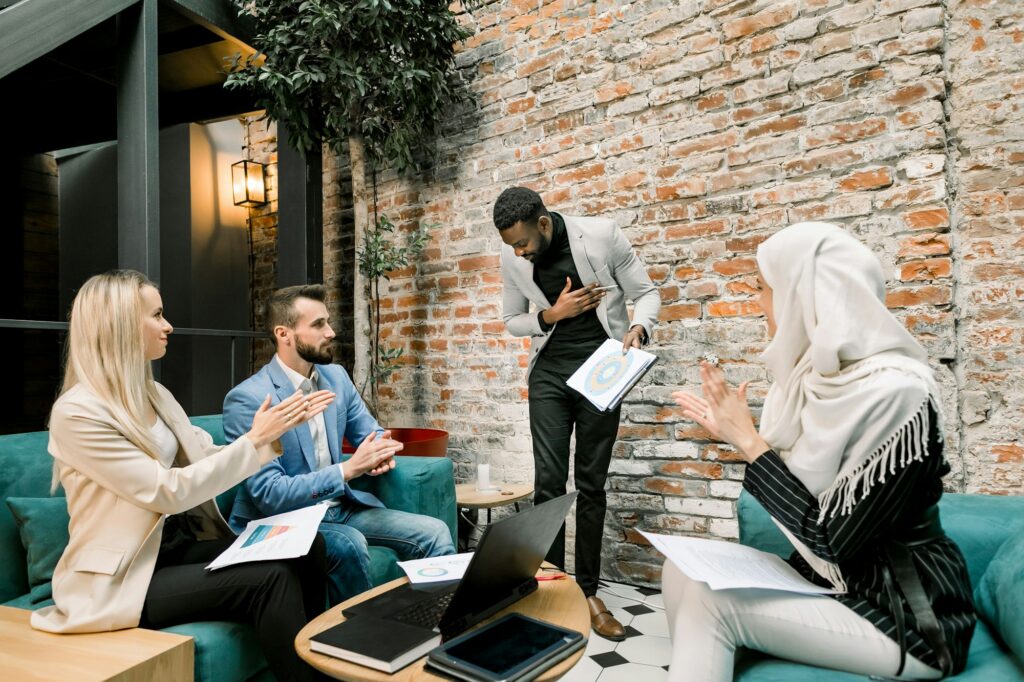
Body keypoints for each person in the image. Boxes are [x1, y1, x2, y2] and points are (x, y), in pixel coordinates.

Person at [667, 222, 975, 681]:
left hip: (907, 617)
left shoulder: (898, 394)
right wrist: (738, 434)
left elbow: (832, 543)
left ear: (803, 295)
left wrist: (751, 444)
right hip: (832, 585)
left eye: (763, 290)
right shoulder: (809, 382)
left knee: (709, 602)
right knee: (680, 570)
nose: (759, 305)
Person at [33, 270, 336, 682]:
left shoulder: (154, 395)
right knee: (269, 578)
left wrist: (267, 438)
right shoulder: (76, 413)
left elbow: (203, 455)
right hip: (123, 577)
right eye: (157, 315)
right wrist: (254, 441)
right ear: (121, 324)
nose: (168, 325)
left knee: (307, 546)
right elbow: (164, 491)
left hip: (171, 548)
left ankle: (321, 662)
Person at [493, 186, 661, 640]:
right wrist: (551, 314)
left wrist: (640, 328)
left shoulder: (601, 236)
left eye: (523, 242)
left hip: (603, 371)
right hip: (549, 376)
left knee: (591, 484)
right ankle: (550, 587)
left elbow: (646, 292)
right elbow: (513, 321)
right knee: (548, 483)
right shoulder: (514, 258)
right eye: (511, 246)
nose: (519, 252)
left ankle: (586, 591)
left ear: (543, 223)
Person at [222, 284, 454, 605]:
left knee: (435, 532)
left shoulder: (336, 377)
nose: (330, 332)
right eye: (318, 325)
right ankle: (359, 643)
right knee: (349, 544)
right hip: (282, 520)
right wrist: (348, 468)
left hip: (340, 508)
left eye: (327, 322)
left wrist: (379, 451)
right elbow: (270, 495)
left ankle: (440, 625)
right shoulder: (250, 399)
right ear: (284, 334)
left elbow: (369, 432)